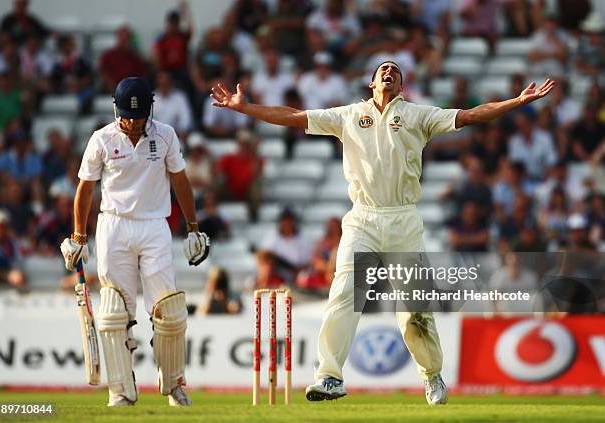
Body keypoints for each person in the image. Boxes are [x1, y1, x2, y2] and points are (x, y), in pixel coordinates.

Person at [209, 60, 555, 405]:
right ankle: (328, 376)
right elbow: (295, 117)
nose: (389, 73)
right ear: (372, 83)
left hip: (403, 220)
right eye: (383, 70)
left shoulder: (419, 115)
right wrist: (247, 108)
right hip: (362, 219)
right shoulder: (348, 115)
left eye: (396, 72)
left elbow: (471, 115)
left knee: (414, 311)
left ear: (401, 86)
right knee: (344, 293)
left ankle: (432, 375)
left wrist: (516, 102)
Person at [59, 77, 210, 407]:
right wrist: (78, 235)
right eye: (128, 116)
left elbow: (180, 181)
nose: (134, 123)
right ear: (117, 109)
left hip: (155, 225)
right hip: (114, 225)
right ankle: (121, 389)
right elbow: (85, 189)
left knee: (168, 311)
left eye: (140, 117)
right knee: (115, 312)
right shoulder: (102, 138)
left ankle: (173, 385)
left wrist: (193, 227)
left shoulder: (165, 134)